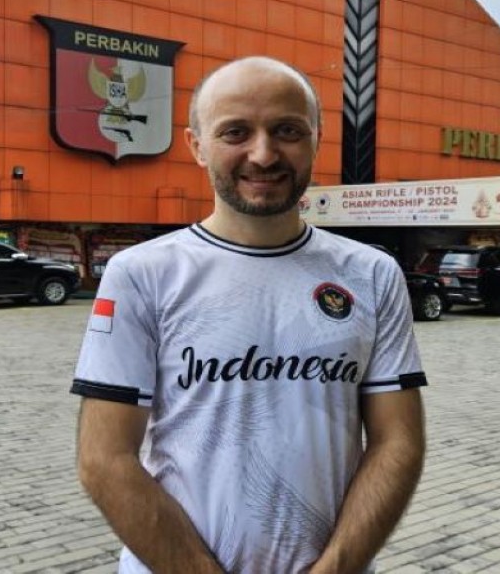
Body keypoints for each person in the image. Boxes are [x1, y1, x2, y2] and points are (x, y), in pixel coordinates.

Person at [71, 56, 427, 573]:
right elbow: (103, 459)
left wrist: (336, 567)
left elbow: (398, 441)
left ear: (316, 140)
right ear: (196, 145)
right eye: (235, 132)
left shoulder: (371, 274)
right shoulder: (142, 274)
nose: (263, 154)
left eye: (287, 130)